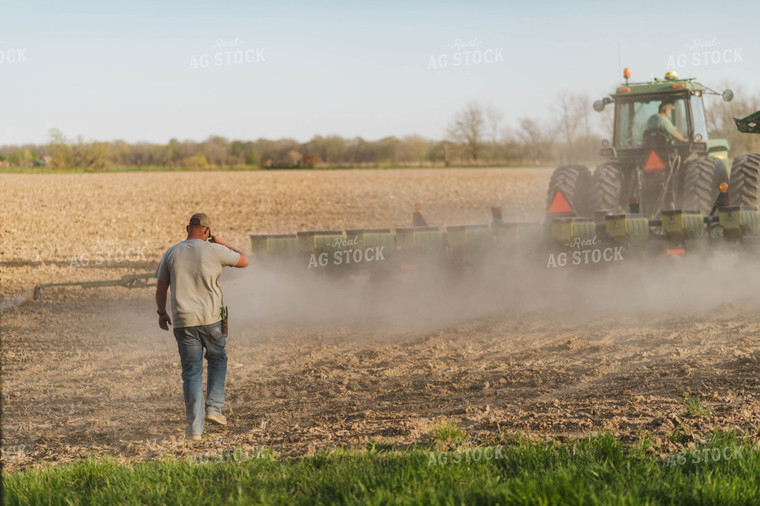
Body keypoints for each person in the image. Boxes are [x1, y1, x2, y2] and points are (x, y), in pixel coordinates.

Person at [155, 212, 249, 441]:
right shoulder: (214, 250)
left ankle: (195, 430)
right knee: (218, 359)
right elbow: (244, 261)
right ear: (207, 231)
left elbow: (161, 288)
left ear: (187, 228)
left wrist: (161, 313)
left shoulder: (172, 252)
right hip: (212, 318)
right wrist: (223, 243)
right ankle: (214, 409)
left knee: (191, 372)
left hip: (183, 321)